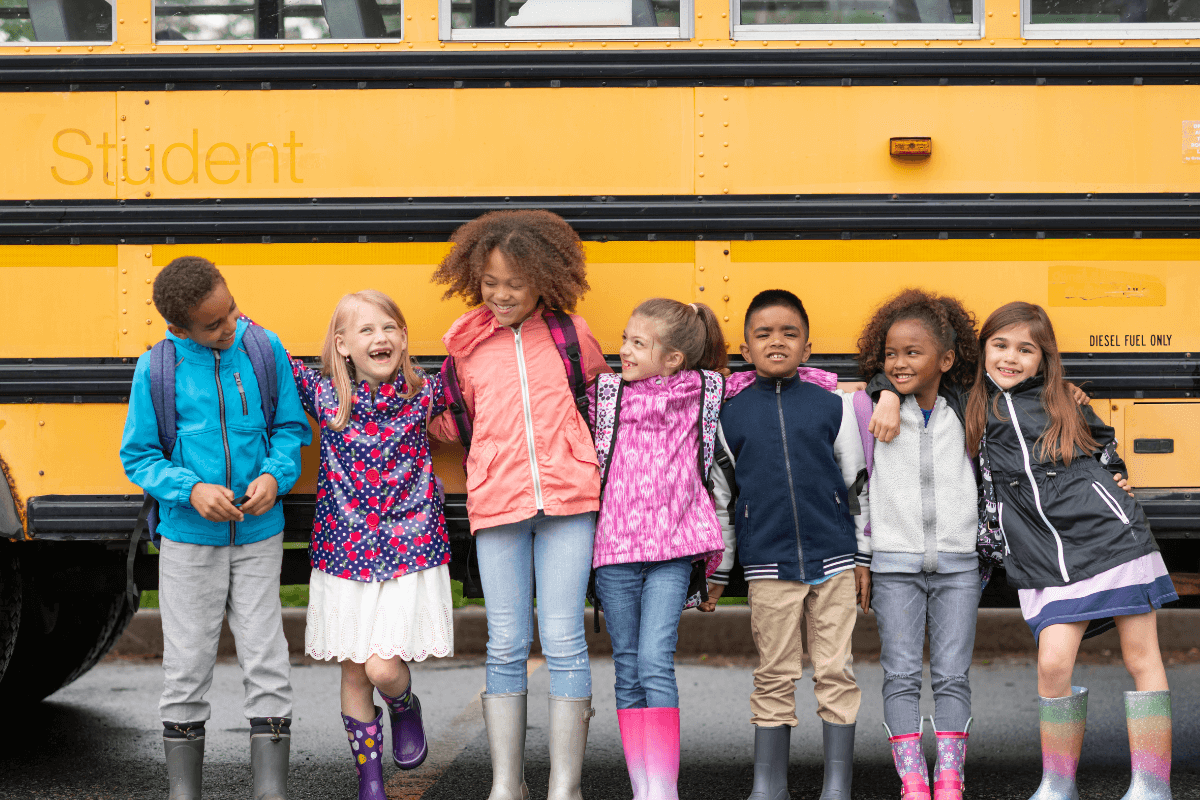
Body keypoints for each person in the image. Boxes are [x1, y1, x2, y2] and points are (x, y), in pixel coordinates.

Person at [429, 210, 610, 800]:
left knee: (563, 638)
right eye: (490, 283)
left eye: (515, 283)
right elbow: (454, 421)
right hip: (498, 501)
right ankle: (507, 781)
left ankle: (565, 784)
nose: (501, 295)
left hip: (570, 499)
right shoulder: (465, 344)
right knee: (505, 640)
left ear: (544, 280)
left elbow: (601, 404)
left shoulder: (569, 335)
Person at [962, 301, 1177, 800]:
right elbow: (910, 371)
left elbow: (1102, 443)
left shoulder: (1063, 399)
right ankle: (1058, 782)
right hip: (1040, 553)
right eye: (1000, 345)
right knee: (1054, 664)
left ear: (1044, 359)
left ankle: (1152, 784)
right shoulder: (970, 402)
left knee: (1141, 653)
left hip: (1108, 536)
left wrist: (1116, 470)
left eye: (1025, 349)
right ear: (982, 350)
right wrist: (885, 394)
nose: (1010, 358)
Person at [120, 257, 311, 800]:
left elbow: (289, 427)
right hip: (188, 539)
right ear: (180, 328)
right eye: (215, 324)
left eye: (231, 311)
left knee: (267, 660)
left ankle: (269, 791)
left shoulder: (261, 347)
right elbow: (139, 457)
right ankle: (185, 792)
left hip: (259, 535)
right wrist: (190, 490)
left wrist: (277, 474)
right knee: (186, 667)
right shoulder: (156, 368)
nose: (230, 326)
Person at [269, 291, 454, 800]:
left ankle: (404, 704)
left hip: (408, 547)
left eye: (390, 327)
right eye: (367, 330)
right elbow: (273, 353)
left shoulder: (422, 394)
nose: (381, 338)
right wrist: (232, 319)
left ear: (404, 338)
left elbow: (470, 370)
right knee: (354, 670)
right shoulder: (328, 399)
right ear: (342, 345)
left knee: (381, 667)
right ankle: (369, 782)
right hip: (344, 552)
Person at [705, 289, 869, 800]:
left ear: (807, 347)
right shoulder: (729, 418)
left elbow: (857, 487)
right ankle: (768, 784)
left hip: (836, 561)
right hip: (768, 564)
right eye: (764, 334)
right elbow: (722, 500)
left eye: (789, 333)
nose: (777, 341)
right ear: (745, 349)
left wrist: (863, 556)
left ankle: (836, 785)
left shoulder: (834, 407)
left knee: (835, 670)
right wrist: (717, 570)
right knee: (774, 672)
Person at [589, 298, 728, 800]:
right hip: (615, 550)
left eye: (638, 344)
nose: (623, 350)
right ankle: (641, 785)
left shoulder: (705, 390)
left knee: (654, 661)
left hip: (672, 550)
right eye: (625, 338)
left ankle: (662, 788)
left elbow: (783, 380)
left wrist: (876, 392)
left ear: (674, 359)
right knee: (627, 667)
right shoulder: (605, 395)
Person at [851, 289, 983, 800]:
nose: (900, 362)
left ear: (946, 360)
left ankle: (950, 778)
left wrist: (1076, 396)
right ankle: (913, 779)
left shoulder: (969, 406)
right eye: (891, 354)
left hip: (958, 566)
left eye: (914, 352)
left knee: (953, 675)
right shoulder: (867, 408)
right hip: (893, 564)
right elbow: (857, 488)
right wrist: (864, 558)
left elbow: (1026, 390)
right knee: (900, 674)